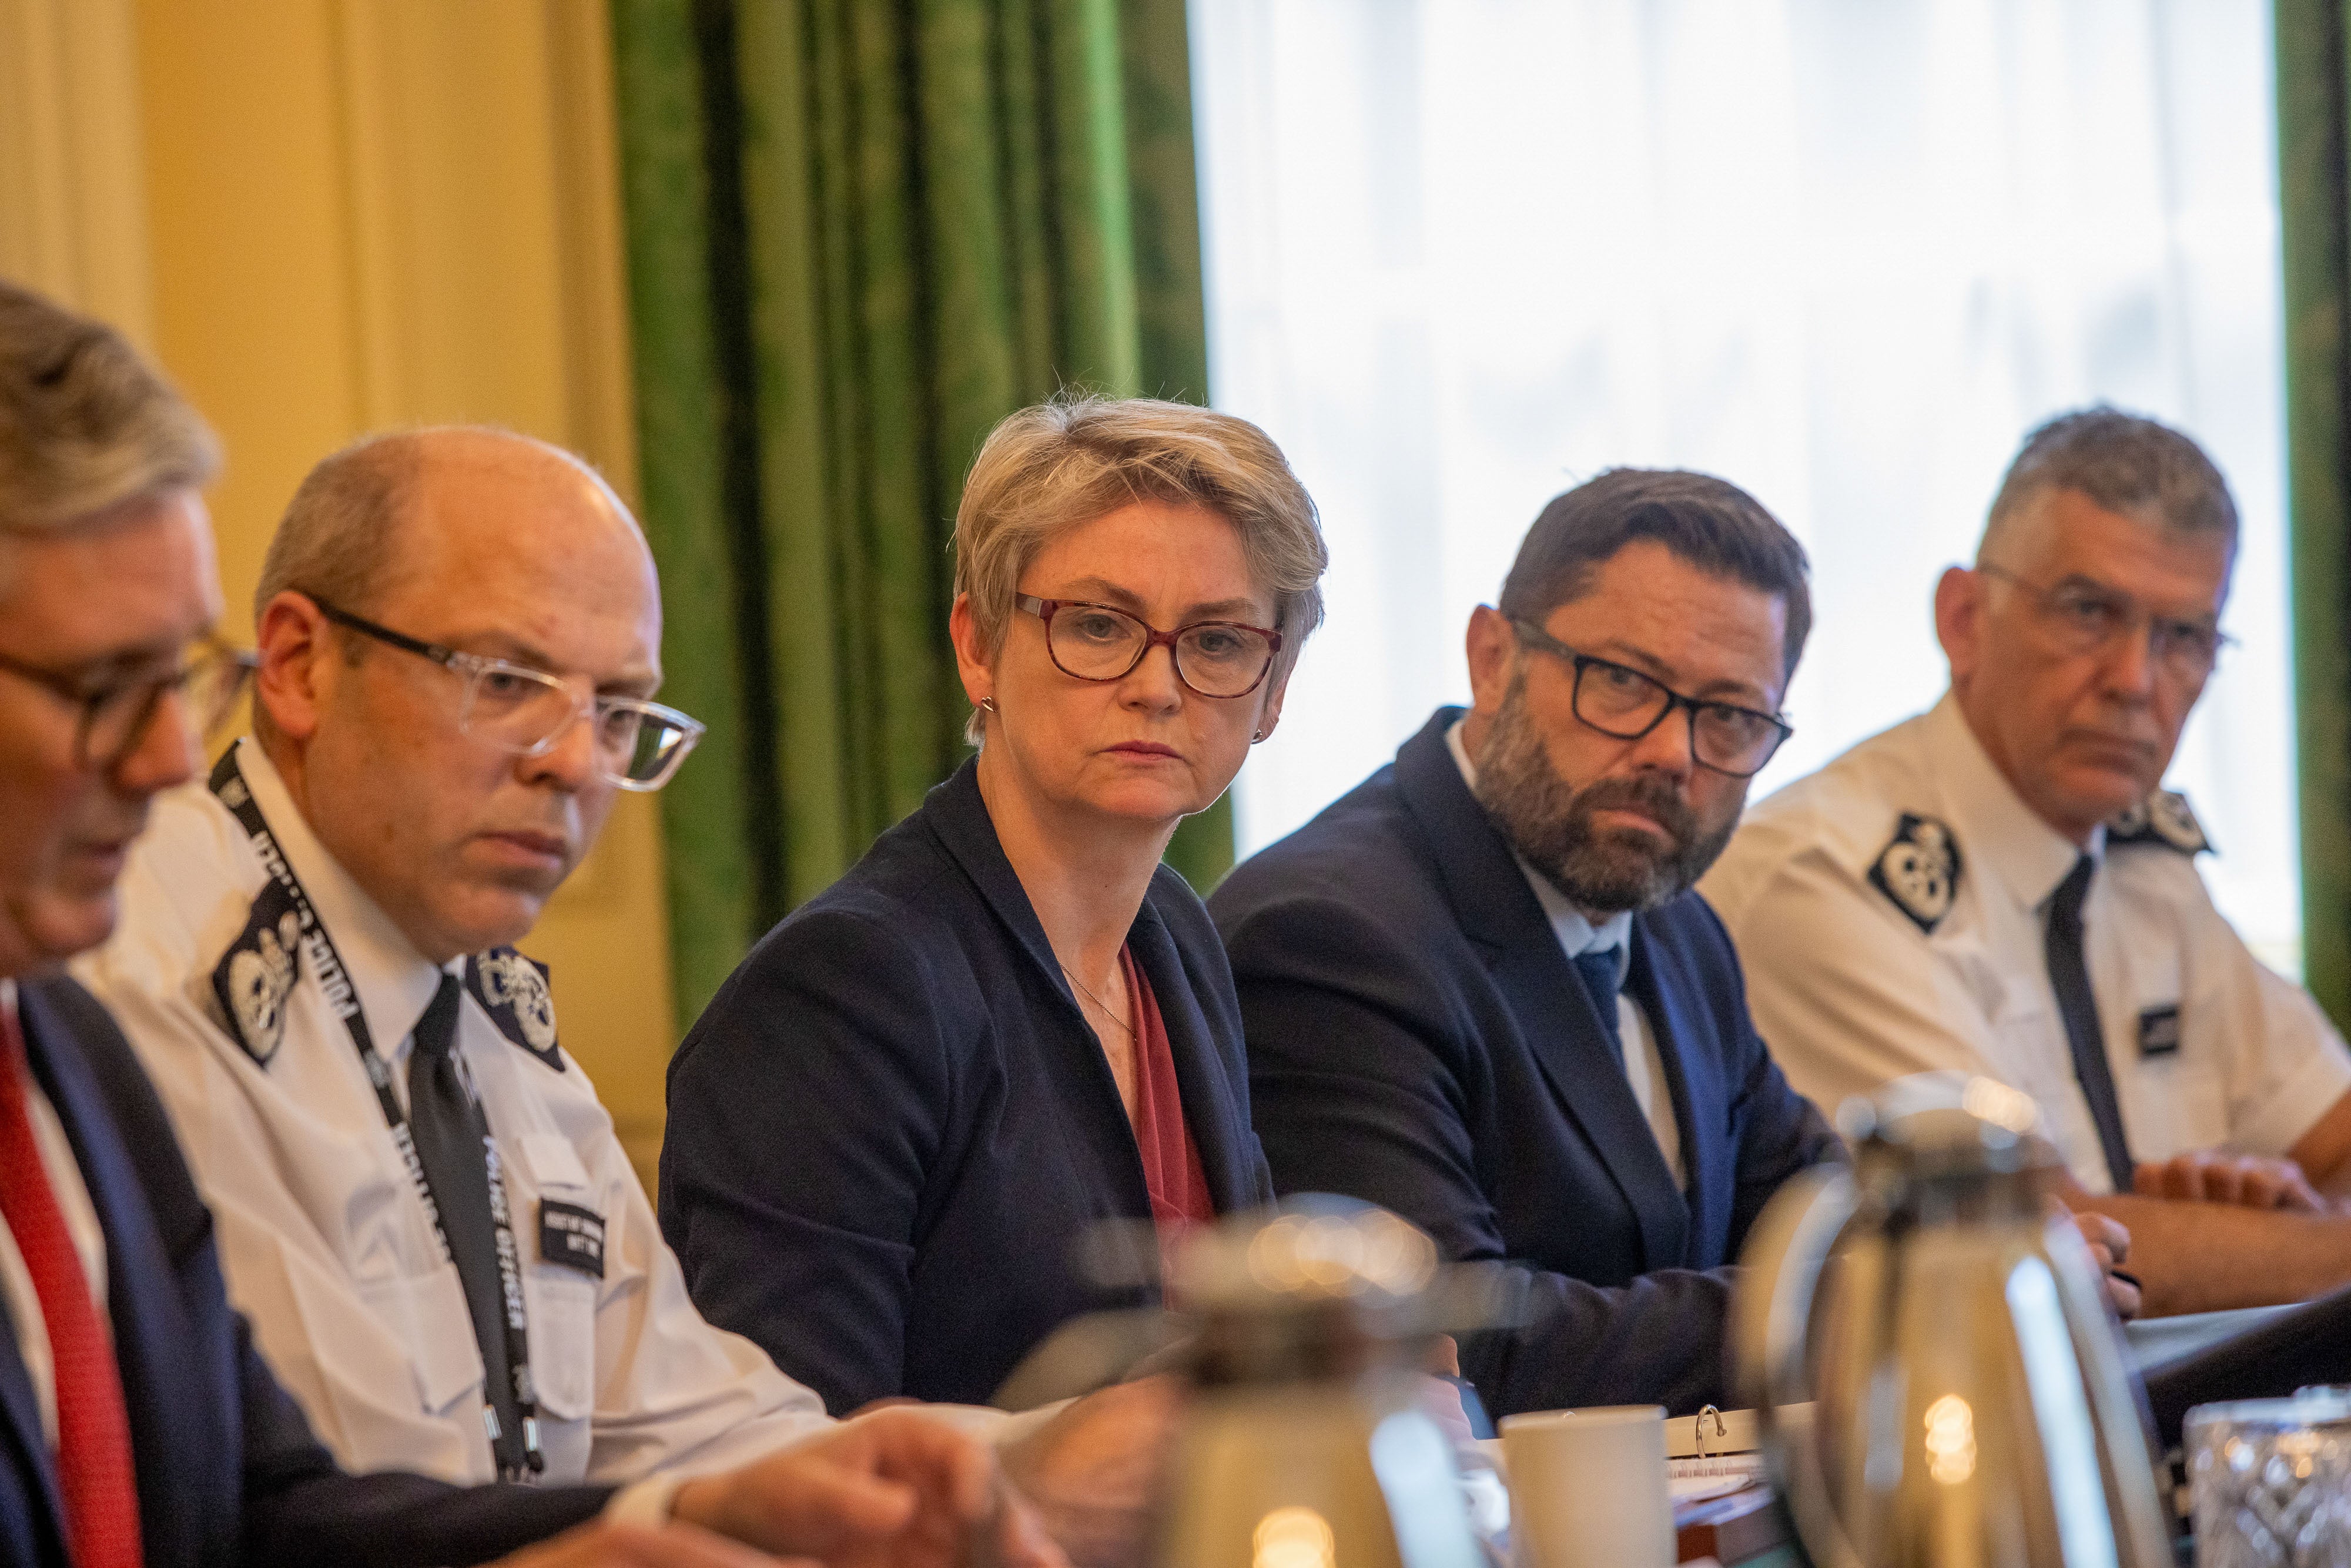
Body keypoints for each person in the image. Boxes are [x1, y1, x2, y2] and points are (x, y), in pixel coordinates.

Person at [0, 276, 1058, 1567]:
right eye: (505, 680)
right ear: (294, 666)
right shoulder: (134, 980)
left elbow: (653, 1425)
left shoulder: (470, 1007)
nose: (575, 763)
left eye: (617, 711)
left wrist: (1023, 1462)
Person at [660, 396, 1324, 1418]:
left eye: (1220, 642)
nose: (1157, 686)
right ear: (978, 646)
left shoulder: (1179, 937)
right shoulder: (843, 992)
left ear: (1273, 689)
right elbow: (800, 1463)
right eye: (1098, 627)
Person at [1207, 470, 1850, 1419]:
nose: (1673, 754)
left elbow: (1809, 1211)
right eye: (1625, 683)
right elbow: (1454, 1353)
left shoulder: (1674, 920)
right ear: (1492, 658)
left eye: (1729, 717)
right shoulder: (1328, 938)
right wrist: (1858, 1301)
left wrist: (1962, 1249)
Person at [1702, 407, 2351, 1317]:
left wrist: (2284, 1229)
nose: (2135, 680)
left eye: (2184, 638)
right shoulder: (1823, 875)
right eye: (2090, 613)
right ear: (1964, 618)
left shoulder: (2147, 869)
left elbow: (2334, 1139)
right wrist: (2303, 1246)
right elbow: (2034, 1247)